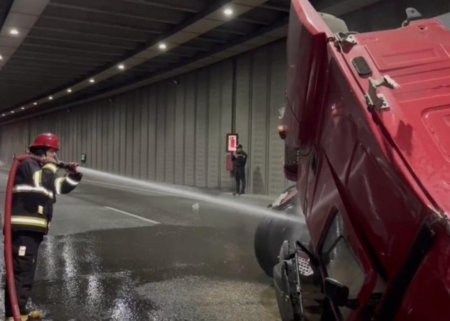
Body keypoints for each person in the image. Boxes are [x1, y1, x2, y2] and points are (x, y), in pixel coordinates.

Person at [5, 133, 82, 321]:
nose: (55, 156)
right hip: (24, 228)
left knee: (26, 272)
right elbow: (42, 181)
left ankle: (20, 311)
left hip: (34, 229)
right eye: (52, 152)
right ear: (42, 151)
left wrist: (73, 175)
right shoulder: (27, 165)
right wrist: (50, 166)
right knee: (20, 272)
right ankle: (13, 314)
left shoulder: (42, 169)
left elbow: (59, 186)